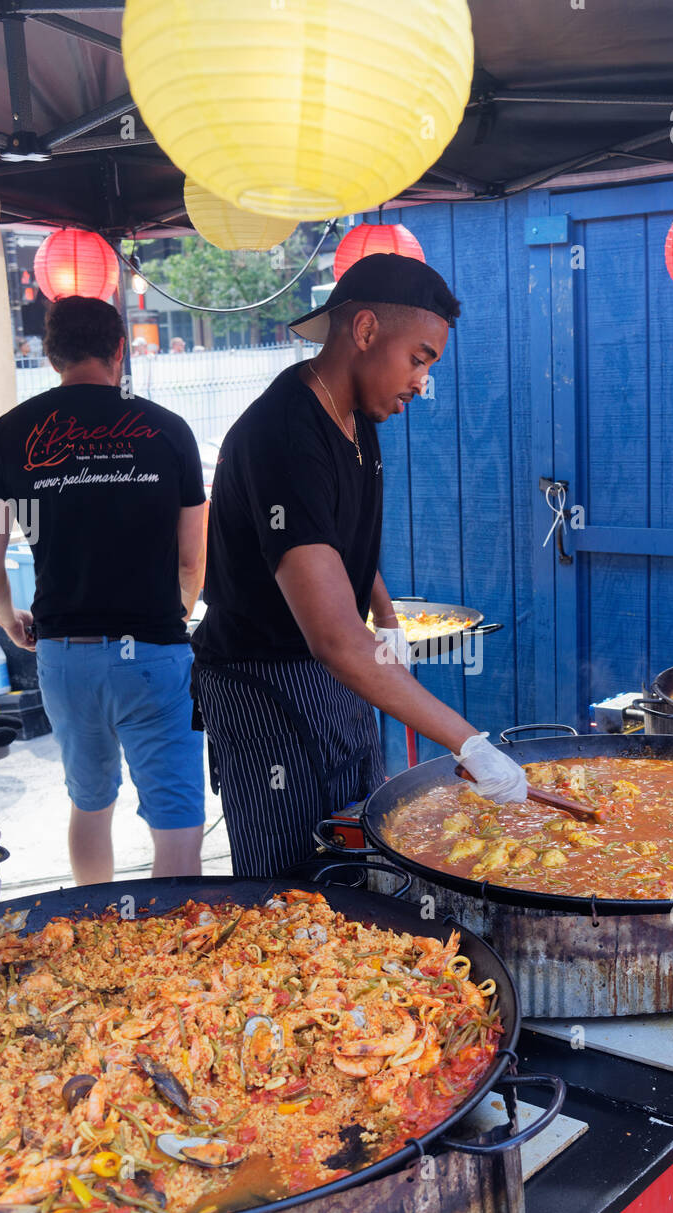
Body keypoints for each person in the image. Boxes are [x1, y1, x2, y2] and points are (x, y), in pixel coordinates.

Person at [191, 252, 526, 876]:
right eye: (419, 358)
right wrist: (469, 742)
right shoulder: (284, 436)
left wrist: (387, 617)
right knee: (289, 882)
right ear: (366, 331)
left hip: (332, 677)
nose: (422, 382)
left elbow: (340, 544)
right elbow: (335, 640)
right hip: (265, 684)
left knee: (364, 840)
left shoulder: (354, 417)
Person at [0, 295, 207, 885]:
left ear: (50, 353)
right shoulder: (169, 430)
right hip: (157, 653)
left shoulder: (8, 435)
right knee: (177, 819)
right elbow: (193, 560)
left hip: (64, 653)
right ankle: (172, 957)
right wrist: (174, 619)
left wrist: (8, 616)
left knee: (89, 801)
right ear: (120, 350)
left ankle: (92, 936)